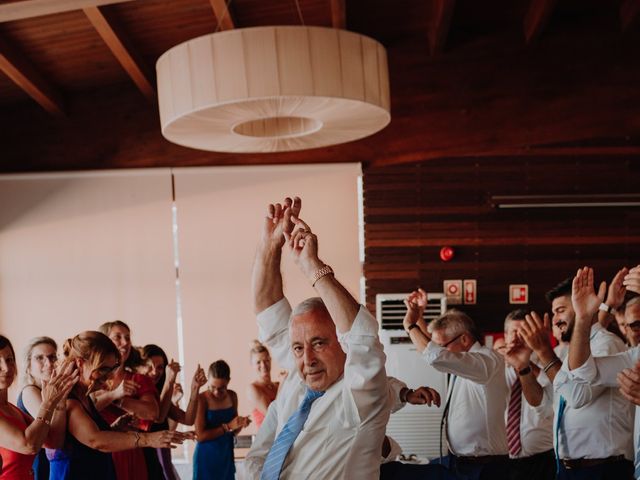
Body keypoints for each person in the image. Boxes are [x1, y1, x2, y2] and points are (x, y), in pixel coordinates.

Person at [245, 198, 391, 479]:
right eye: (298, 348)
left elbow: (362, 338)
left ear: (342, 343)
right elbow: (266, 306)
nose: (307, 359)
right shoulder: (295, 382)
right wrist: (270, 245)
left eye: (320, 343)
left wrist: (312, 267)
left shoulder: (361, 393)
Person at [49, 331, 189, 480]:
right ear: (80, 363)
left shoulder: (84, 396)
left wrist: (115, 428)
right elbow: (95, 440)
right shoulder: (69, 399)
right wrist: (148, 439)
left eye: (112, 369)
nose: (109, 376)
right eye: (103, 369)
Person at [403, 289, 509, 480]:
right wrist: (419, 317)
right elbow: (434, 352)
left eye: (443, 345)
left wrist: (410, 326)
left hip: (485, 468)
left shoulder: (487, 360)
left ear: (465, 339)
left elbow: (436, 356)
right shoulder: (463, 364)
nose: (440, 351)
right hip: (462, 463)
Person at [552, 269, 634, 479]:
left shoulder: (607, 342)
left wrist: (587, 315)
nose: (555, 319)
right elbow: (578, 373)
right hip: (571, 467)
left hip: (602, 468)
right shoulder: (573, 349)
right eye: (553, 313)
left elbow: (576, 394)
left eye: (560, 310)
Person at [0, 335, 76, 480]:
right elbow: (29, 446)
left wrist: (59, 400)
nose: (6, 368)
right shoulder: (28, 392)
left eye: (9, 360)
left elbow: (53, 442)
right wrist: (48, 403)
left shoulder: (11, 409)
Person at [95, 321, 160, 480]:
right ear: (104, 341)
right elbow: (86, 408)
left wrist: (119, 400)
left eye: (127, 338)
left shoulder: (138, 379)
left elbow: (152, 413)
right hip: (99, 452)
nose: (125, 343)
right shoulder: (93, 378)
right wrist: (114, 394)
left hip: (130, 450)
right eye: (118, 337)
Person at [501, 310, 555, 480]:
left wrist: (525, 364)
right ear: (505, 335)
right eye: (513, 332)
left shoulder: (549, 366)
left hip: (543, 460)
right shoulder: (496, 370)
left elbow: (554, 398)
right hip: (503, 459)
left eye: (523, 332)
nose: (518, 337)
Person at [140, 344, 206, 480]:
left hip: (157, 462)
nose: (154, 372)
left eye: (159, 368)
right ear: (139, 366)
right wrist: (169, 381)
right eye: (149, 366)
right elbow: (157, 418)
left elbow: (188, 419)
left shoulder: (158, 394)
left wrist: (195, 389)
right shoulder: (135, 392)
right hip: (139, 460)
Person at [193, 360, 250, 480]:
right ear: (208, 380)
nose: (216, 392)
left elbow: (233, 432)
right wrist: (227, 426)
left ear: (228, 381)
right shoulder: (201, 399)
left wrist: (240, 424)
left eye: (222, 388)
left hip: (226, 455)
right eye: (212, 387)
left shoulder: (232, 396)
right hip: (206, 457)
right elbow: (200, 436)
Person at [17, 336, 59, 480]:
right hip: (41, 464)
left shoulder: (54, 391)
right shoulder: (30, 391)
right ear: (28, 365)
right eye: (40, 358)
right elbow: (54, 428)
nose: (48, 363)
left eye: (52, 357)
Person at [247, 341, 281, 430]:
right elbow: (273, 416)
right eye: (258, 362)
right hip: (268, 441)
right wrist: (283, 385)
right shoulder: (253, 389)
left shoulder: (278, 385)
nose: (263, 365)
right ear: (252, 364)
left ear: (270, 360)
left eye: (266, 360)